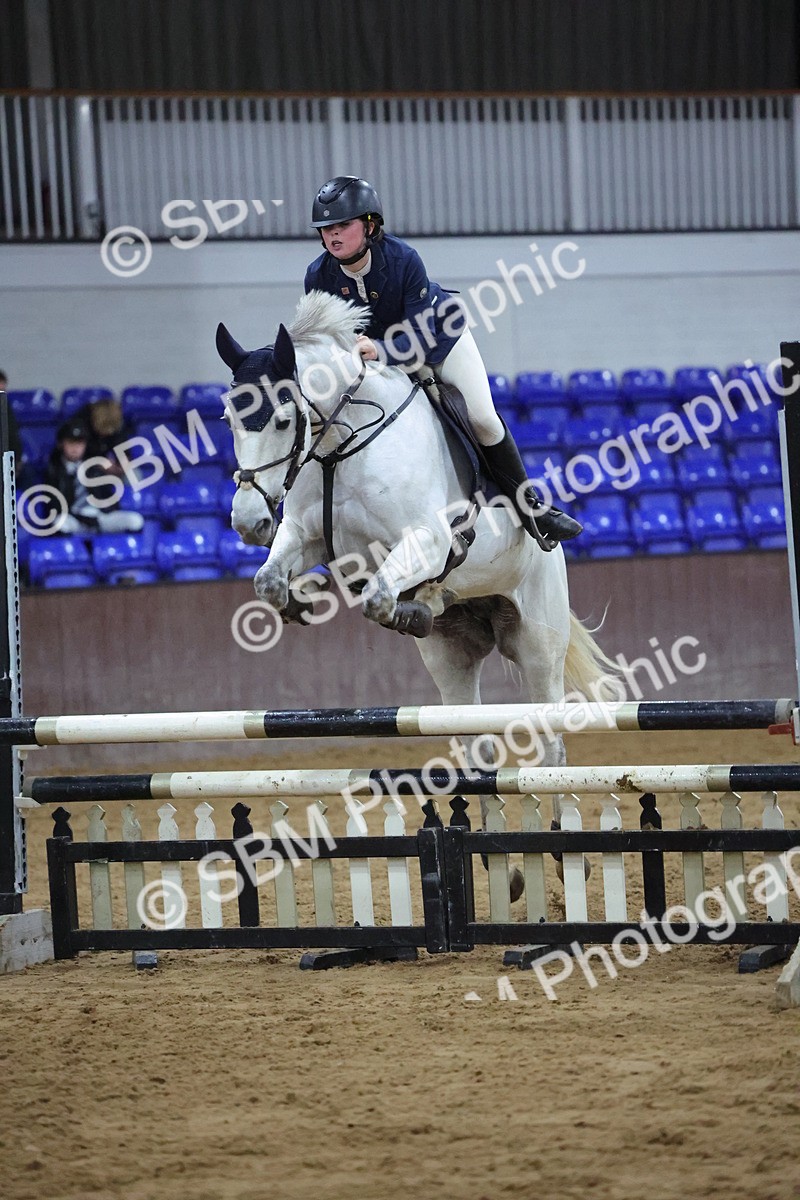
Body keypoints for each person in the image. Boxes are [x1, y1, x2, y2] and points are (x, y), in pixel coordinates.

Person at [304, 176, 582, 546]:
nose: (333, 234)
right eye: (326, 229)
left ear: (370, 225)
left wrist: (380, 350)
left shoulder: (403, 259)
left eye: (343, 225)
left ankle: (531, 507)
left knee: (482, 419)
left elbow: (420, 339)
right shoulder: (317, 276)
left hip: (439, 341)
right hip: (377, 359)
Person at [45, 418, 143, 534]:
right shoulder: (54, 470)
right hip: (74, 518)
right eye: (71, 442)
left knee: (135, 520)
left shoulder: (94, 466)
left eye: (79, 443)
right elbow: (54, 506)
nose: (75, 448)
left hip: (99, 517)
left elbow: (108, 497)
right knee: (60, 523)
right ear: (61, 444)